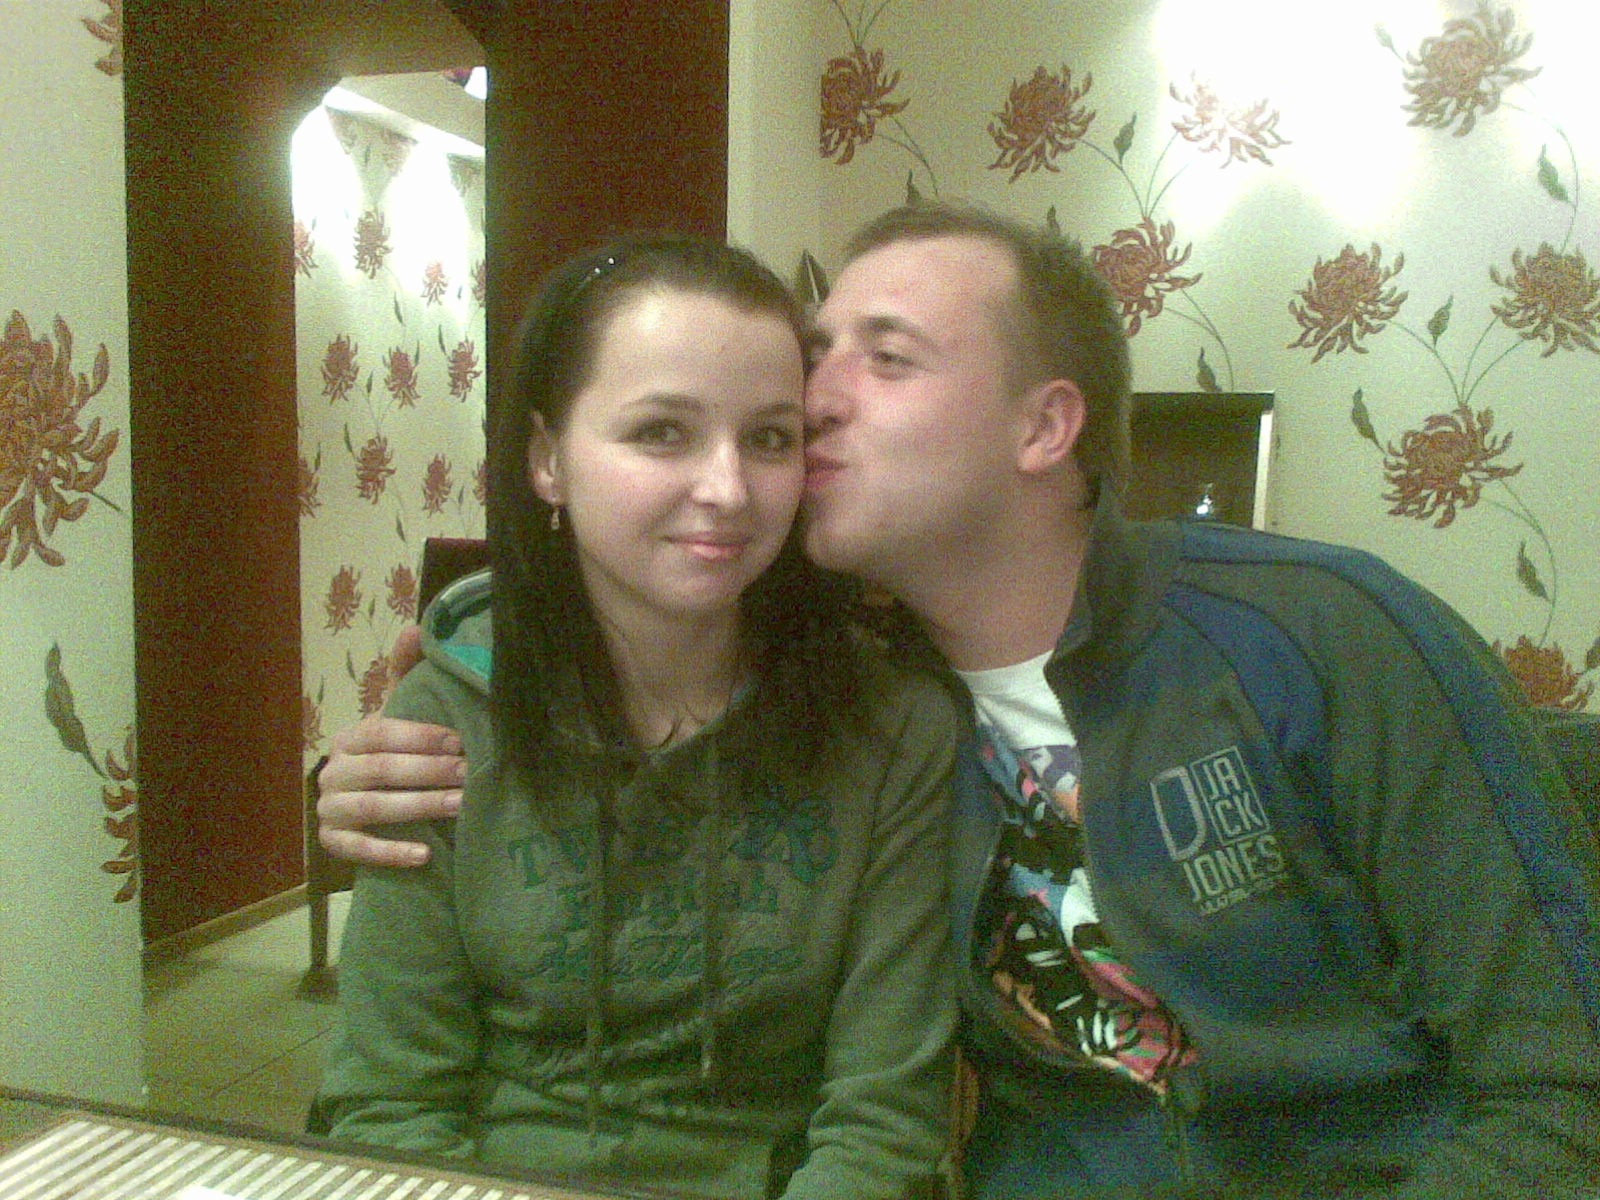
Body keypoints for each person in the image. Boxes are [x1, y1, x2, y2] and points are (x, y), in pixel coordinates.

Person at [316, 205, 1600, 1197]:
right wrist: (388, 745)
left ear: (1043, 429)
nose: (813, 402)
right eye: (815, 361)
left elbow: (1561, 1085)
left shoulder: (1319, 635)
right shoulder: (879, 695)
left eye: (883, 358)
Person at [311, 233, 960, 1200]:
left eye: (770, 439)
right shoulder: (446, 716)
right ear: (548, 460)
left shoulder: (892, 725)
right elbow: (392, 1103)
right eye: (662, 432)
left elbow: (881, 1127)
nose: (728, 491)